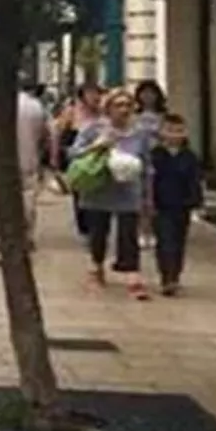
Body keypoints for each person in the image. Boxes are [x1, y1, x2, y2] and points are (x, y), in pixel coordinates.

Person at [70, 87, 155, 299]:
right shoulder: (93, 129)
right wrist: (97, 146)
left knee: (129, 233)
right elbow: (74, 153)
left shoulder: (139, 133)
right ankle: (96, 267)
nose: (123, 110)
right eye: (118, 105)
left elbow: (147, 164)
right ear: (108, 108)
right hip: (99, 187)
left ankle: (133, 275)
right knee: (98, 232)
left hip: (128, 190)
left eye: (128, 105)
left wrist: (148, 195)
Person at [150, 113, 203, 296]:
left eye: (179, 131)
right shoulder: (155, 155)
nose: (174, 135)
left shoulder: (190, 157)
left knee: (179, 240)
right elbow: (150, 180)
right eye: (170, 130)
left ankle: (175, 275)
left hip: (182, 205)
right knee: (165, 240)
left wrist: (196, 201)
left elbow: (195, 181)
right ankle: (166, 276)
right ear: (161, 132)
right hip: (161, 204)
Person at [53, 83, 104, 242]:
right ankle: (85, 227)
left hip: (98, 156)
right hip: (77, 157)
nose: (94, 97)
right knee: (80, 191)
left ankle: (97, 226)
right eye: (90, 93)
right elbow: (58, 133)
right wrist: (55, 157)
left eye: (96, 93)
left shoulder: (103, 113)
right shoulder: (72, 112)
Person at [14, 81, 51, 246]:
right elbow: (46, 134)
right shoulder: (37, 106)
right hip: (30, 157)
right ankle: (27, 234)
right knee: (28, 196)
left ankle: (12, 232)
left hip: (6, 162)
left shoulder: (4, 104)